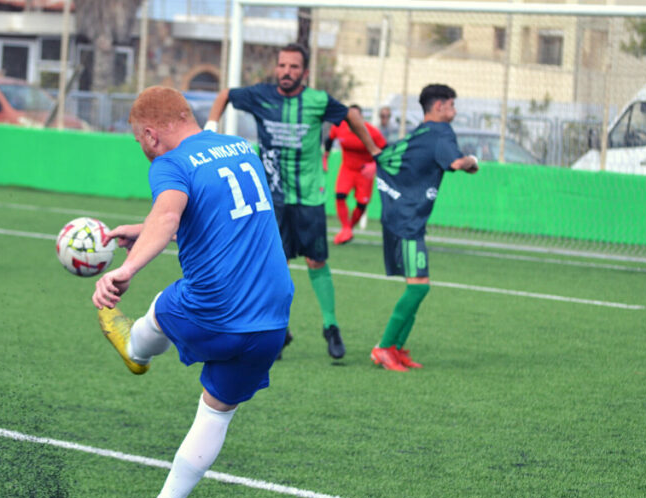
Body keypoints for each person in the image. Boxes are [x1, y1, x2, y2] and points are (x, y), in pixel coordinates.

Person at [92, 86, 294, 498]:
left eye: (138, 140)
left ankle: (135, 348)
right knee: (216, 413)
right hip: (272, 316)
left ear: (150, 134)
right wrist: (142, 231)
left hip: (214, 307)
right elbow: (212, 214)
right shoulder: (239, 147)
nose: (143, 149)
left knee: (164, 305)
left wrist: (125, 269)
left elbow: (168, 215)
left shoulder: (170, 162)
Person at [205, 43, 381, 360]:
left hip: (309, 197)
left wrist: (374, 151)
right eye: (283, 65)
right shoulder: (260, 95)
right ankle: (278, 331)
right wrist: (210, 130)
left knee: (316, 261)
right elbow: (225, 95)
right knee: (276, 264)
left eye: (294, 67)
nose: (287, 71)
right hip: (272, 198)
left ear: (305, 72)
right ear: (277, 68)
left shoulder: (317, 101)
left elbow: (352, 116)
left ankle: (331, 327)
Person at [370, 84, 479, 372]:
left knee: (418, 286)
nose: (454, 111)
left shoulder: (421, 133)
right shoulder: (441, 132)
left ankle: (395, 348)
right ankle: (384, 347)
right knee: (419, 287)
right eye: (452, 105)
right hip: (407, 221)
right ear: (439, 106)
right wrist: (473, 161)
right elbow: (456, 162)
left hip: (404, 216)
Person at [323, 104, 386, 245]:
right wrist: (325, 157)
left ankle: (348, 229)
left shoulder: (372, 132)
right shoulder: (339, 127)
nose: (352, 120)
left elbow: (385, 150)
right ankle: (346, 229)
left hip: (365, 172)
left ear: (361, 117)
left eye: (355, 117)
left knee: (362, 204)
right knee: (340, 195)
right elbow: (329, 140)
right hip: (347, 168)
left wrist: (374, 166)